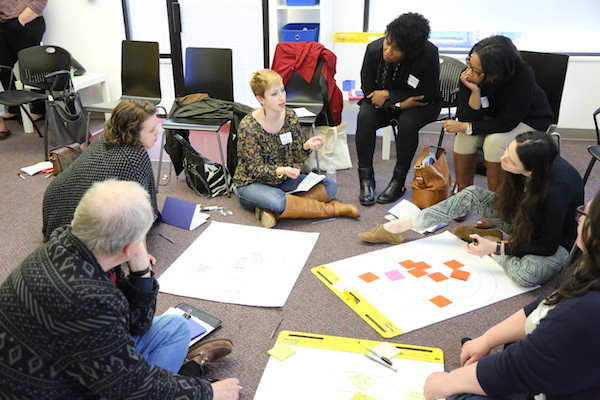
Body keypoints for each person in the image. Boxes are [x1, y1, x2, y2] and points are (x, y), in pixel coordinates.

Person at [0, 179, 240, 399]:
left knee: (175, 328)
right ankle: (189, 371)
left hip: (54, 362)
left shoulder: (71, 245)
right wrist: (207, 393)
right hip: (51, 390)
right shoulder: (89, 299)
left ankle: (179, 377)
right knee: (152, 381)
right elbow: (130, 384)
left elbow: (138, 325)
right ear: (128, 246)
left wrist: (141, 272)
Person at [423, 192, 600, 400]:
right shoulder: (589, 276)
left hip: (555, 386)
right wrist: (486, 340)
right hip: (557, 371)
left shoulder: (587, 310)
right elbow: (543, 306)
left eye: (585, 214)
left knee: (460, 395)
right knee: (510, 347)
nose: (579, 218)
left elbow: (516, 369)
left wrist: (446, 382)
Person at [358, 131, 583, 287]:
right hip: (525, 222)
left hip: (553, 245)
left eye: (511, 161)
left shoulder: (556, 191)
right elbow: (513, 203)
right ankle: (400, 226)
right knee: (470, 194)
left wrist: (498, 248)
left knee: (527, 274)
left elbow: (547, 245)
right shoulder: (536, 161)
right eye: (506, 151)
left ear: (531, 170)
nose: (502, 160)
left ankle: (492, 242)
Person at [233, 68, 359, 228]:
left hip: (283, 181)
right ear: (260, 99)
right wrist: (281, 170)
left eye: (282, 90)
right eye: (274, 94)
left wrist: (307, 146)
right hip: (251, 184)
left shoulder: (290, 116)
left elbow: (297, 156)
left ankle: (272, 212)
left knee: (329, 185)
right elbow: (255, 170)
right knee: (277, 200)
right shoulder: (248, 126)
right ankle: (332, 209)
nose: (281, 97)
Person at [442, 35, 552, 194]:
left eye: (477, 70)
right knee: (464, 137)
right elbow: (465, 117)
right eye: (469, 63)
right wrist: (474, 91)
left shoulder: (522, 75)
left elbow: (508, 122)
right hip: (493, 116)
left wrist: (467, 126)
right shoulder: (469, 74)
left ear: (495, 72)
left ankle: (496, 203)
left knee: (494, 142)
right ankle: (463, 194)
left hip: (528, 118)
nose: (469, 72)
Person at [42, 99, 159, 241]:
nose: (158, 132)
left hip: (55, 207)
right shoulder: (133, 157)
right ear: (132, 133)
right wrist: (141, 253)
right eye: (152, 130)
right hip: (74, 225)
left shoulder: (104, 138)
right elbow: (139, 209)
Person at [356, 12, 441, 206]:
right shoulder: (374, 50)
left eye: (396, 49)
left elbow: (426, 92)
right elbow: (368, 89)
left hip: (423, 103)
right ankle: (366, 179)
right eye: (388, 42)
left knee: (407, 122)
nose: (388, 50)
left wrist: (389, 95)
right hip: (389, 104)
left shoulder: (428, 54)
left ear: (410, 51)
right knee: (365, 117)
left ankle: (398, 181)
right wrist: (396, 102)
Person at [0, 0, 47, 122]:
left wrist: (21, 21)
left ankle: (39, 109)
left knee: (30, 67)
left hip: (27, 21)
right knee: (4, 68)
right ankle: (15, 108)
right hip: (3, 24)